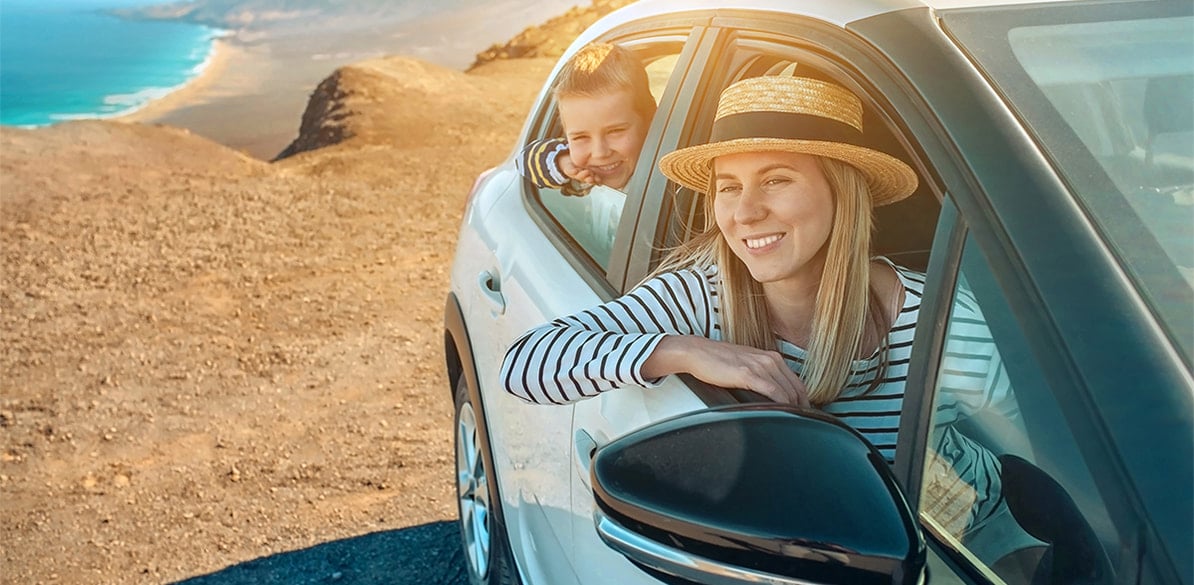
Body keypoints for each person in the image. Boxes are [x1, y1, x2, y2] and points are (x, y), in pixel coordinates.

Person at [501, 73, 1041, 570]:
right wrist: (687, 350)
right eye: (729, 187)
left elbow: (1044, 456)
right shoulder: (701, 296)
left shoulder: (939, 323)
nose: (745, 212)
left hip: (973, 543)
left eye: (776, 179)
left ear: (841, 190)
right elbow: (525, 363)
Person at [515, 42, 657, 195]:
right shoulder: (582, 175)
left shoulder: (662, 165)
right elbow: (524, 160)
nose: (599, 153)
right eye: (580, 137)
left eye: (615, 131)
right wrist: (562, 162)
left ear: (651, 119)